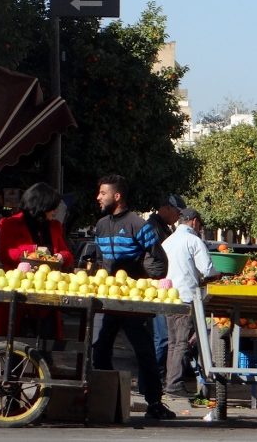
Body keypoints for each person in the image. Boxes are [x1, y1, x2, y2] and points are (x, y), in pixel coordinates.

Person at [90, 174, 175, 421]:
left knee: (144, 350)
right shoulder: (101, 225)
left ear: (117, 196)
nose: (98, 197)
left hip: (133, 301)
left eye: (102, 193)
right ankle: (108, 398)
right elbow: (98, 260)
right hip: (107, 300)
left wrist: (142, 283)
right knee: (100, 349)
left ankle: (154, 402)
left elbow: (159, 260)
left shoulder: (139, 224)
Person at [0, 182, 74, 337]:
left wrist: (61, 257)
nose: (55, 211)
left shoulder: (54, 226)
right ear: (42, 206)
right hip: (18, 292)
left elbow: (67, 254)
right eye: (52, 207)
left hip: (47, 295)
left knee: (45, 347)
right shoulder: (11, 224)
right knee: (14, 345)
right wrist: (33, 251)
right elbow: (5, 254)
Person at [162, 207, 219, 397]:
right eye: (199, 224)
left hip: (168, 297)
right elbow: (207, 269)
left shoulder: (168, 241)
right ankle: (174, 384)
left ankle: (171, 381)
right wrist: (220, 275)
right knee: (181, 343)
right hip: (186, 298)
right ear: (194, 221)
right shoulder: (193, 241)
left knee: (173, 342)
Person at [143, 191, 182, 386]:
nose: (178, 216)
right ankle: (154, 379)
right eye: (177, 211)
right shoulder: (153, 228)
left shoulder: (164, 228)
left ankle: (154, 378)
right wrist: (160, 276)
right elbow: (151, 260)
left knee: (162, 337)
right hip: (155, 288)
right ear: (165, 208)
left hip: (161, 288)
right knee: (162, 337)